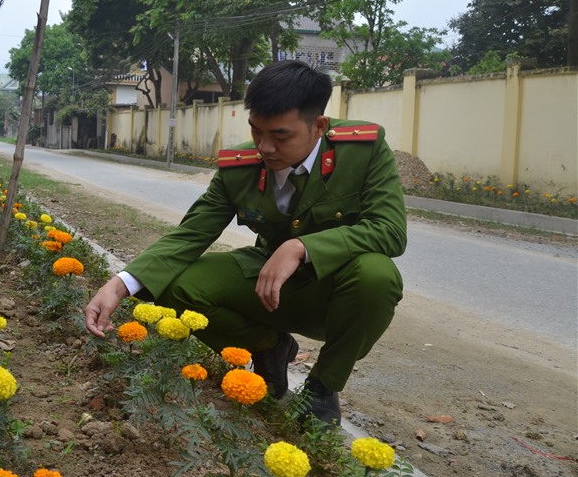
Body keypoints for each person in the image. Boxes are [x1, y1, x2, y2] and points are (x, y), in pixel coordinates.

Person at [85, 60, 406, 427]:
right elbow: (191, 235)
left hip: (334, 293)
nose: (265, 147)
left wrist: (302, 247)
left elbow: (390, 230)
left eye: (280, 136)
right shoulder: (241, 166)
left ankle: (322, 387)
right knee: (173, 286)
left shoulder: (363, 150)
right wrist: (118, 285)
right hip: (266, 285)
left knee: (378, 275)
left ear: (319, 126)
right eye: (256, 131)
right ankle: (269, 346)